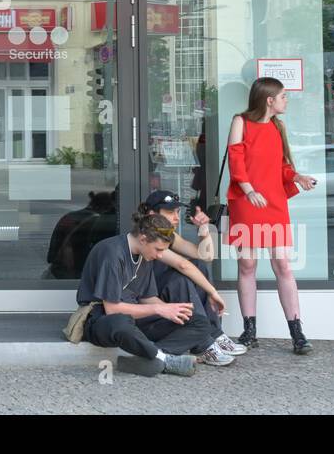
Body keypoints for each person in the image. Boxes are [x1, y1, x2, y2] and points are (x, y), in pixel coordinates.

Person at [75, 211, 237, 377]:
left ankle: (150, 357)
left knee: (199, 323)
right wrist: (159, 310)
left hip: (135, 316)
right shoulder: (112, 252)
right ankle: (163, 358)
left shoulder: (145, 254)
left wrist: (172, 310)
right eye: (158, 249)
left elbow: (147, 297)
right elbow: (112, 309)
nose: (160, 255)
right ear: (143, 239)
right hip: (101, 319)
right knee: (121, 322)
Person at [226, 77, 318, 355]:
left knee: (283, 265)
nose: (286, 100)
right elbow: (235, 159)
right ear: (269, 100)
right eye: (283, 96)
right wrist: (249, 189)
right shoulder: (240, 122)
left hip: (274, 202)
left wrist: (298, 176)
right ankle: (249, 330)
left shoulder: (278, 126)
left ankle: (297, 332)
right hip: (247, 200)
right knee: (247, 265)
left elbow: (282, 166)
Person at [138, 191, 247, 359]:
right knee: (179, 279)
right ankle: (203, 343)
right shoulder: (146, 234)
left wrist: (204, 231)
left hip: (163, 296)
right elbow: (182, 265)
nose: (175, 217)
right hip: (147, 304)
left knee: (199, 266)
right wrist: (213, 292)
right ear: (152, 214)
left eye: (177, 212)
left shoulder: (169, 234)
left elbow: (205, 255)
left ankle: (214, 334)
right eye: (169, 212)